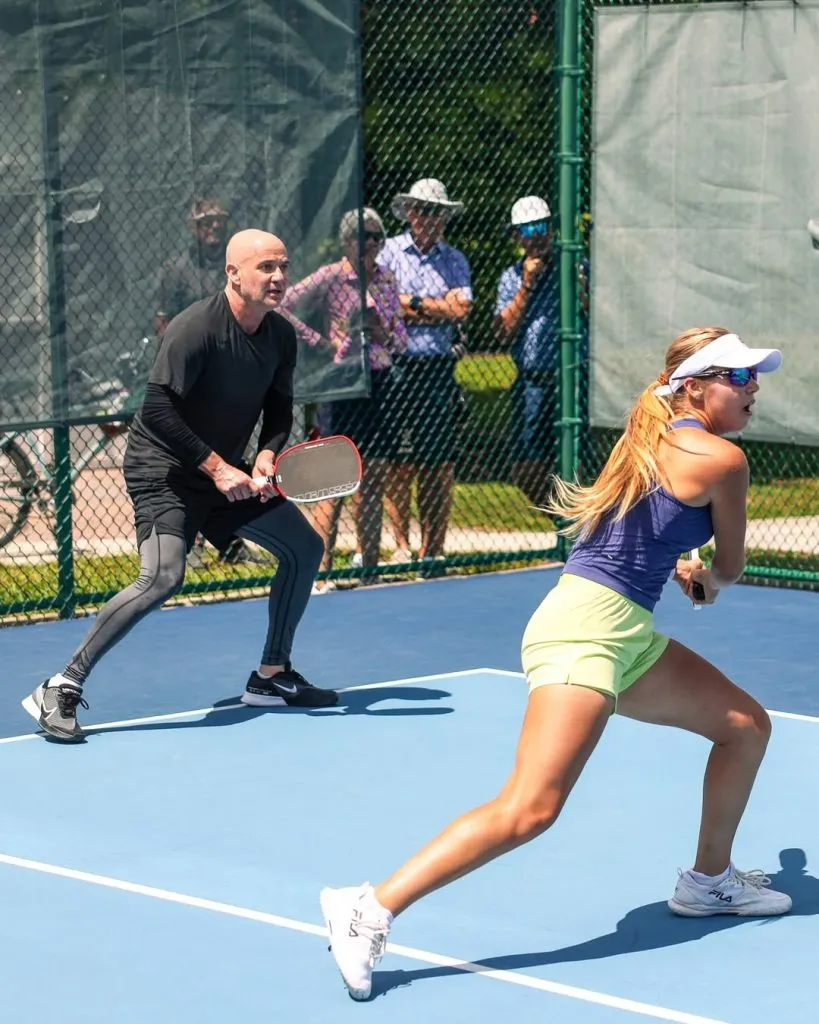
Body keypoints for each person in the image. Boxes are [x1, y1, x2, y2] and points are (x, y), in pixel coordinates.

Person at [319, 326, 791, 1000]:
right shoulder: (721, 460)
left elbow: (642, 536)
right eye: (738, 378)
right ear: (692, 386)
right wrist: (708, 579)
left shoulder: (644, 436)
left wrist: (682, 565)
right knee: (531, 807)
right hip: (585, 635)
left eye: (753, 378)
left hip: (616, 629)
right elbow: (732, 566)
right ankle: (367, 908)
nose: (753, 391)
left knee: (744, 725)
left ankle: (707, 883)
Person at [22, 229, 337, 743]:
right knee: (163, 576)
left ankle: (271, 677)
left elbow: (279, 406)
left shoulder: (280, 335)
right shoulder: (196, 328)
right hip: (163, 472)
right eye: (266, 268)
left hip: (227, 472)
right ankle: (61, 684)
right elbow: (158, 410)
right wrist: (217, 468)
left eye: (283, 266)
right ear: (233, 274)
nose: (279, 277)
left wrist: (264, 455)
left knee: (305, 547)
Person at [281, 207, 408, 582]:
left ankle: (369, 569)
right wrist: (322, 341)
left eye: (375, 237)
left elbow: (400, 337)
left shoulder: (386, 280)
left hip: (380, 380)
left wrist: (381, 331)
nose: (369, 243)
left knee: (373, 477)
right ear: (345, 240)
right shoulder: (331, 277)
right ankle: (320, 573)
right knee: (333, 480)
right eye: (361, 235)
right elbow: (284, 305)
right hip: (341, 382)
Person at [377, 178, 472, 563]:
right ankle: (401, 546)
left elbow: (462, 309)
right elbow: (385, 304)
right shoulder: (388, 253)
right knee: (400, 463)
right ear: (410, 213)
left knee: (438, 463)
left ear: (445, 217)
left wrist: (411, 304)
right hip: (396, 367)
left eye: (437, 211)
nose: (430, 218)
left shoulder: (455, 259)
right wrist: (435, 305)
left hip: (437, 370)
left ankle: (434, 550)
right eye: (423, 210)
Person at [494, 195, 560, 507]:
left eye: (541, 227)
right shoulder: (511, 276)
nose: (536, 236)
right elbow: (503, 332)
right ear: (517, 236)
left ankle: (580, 531)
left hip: (571, 381)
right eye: (527, 229)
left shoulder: (574, 267)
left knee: (574, 463)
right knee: (526, 467)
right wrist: (527, 285)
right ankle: (561, 520)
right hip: (531, 381)